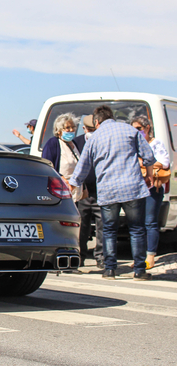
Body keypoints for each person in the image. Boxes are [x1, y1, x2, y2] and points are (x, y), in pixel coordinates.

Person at [69, 106, 156, 281]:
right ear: (112, 117)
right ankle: (139, 270)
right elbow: (148, 156)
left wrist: (73, 184)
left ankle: (110, 270)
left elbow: (83, 165)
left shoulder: (94, 138)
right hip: (132, 188)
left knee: (109, 229)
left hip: (108, 190)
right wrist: (149, 175)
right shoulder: (130, 130)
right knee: (137, 229)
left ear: (97, 122)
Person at [131, 115, 170, 269]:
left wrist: (143, 161)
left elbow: (164, 163)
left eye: (139, 129)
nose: (137, 132)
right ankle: (139, 257)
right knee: (137, 224)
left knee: (150, 222)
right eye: (133, 129)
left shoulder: (156, 144)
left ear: (147, 128)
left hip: (152, 188)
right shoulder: (133, 144)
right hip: (136, 188)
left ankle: (150, 256)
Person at [74, 115, 104, 268]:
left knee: (102, 227)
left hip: (101, 191)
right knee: (82, 227)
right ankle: (80, 257)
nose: (92, 132)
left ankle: (101, 258)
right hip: (84, 192)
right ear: (84, 129)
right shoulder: (77, 142)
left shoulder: (104, 140)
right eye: (90, 130)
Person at [41, 113, 84, 202]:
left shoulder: (74, 144)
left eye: (73, 127)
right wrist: (62, 178)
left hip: (76, 192)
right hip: (61, 191)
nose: (71, 130)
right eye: (67, 128)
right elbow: (47, 166)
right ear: (59, 130)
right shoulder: (53, 143)